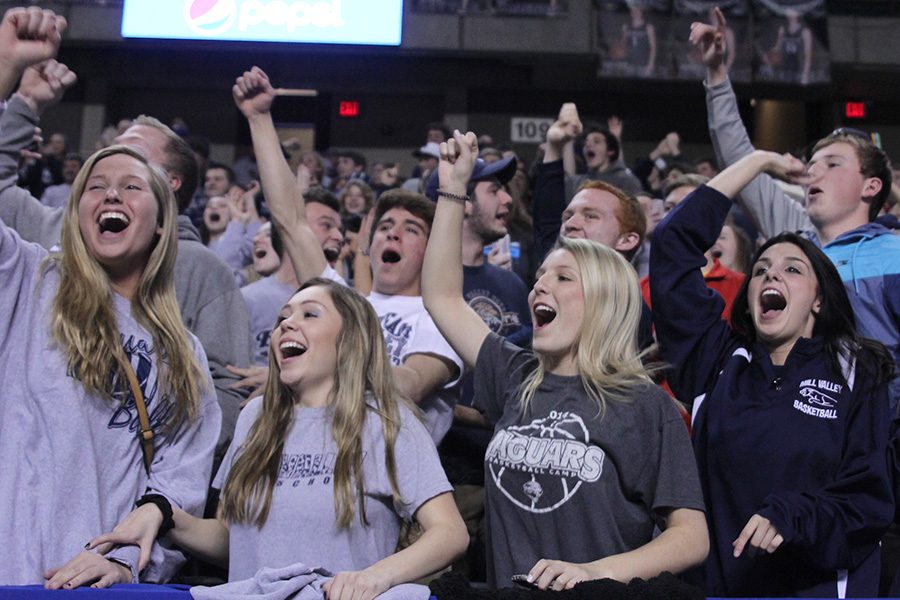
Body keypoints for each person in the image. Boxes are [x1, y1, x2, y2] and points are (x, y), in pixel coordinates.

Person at [422, 130, 708, 590]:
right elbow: (441, 296)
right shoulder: (517, 376)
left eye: (562, 277)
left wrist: (595, 574)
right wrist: (453, 187)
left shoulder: (645, 405)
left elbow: (691, 537)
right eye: (539, 277)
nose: (539, 286)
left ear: (603, 298)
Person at [90, 278, 468, 599]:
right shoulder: (255, 419)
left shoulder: (386, 420)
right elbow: (230, 539)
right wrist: (164, 514)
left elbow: (449, 533)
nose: (287, 324)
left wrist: (376, 578)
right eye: (283, 317)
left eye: (309, 314)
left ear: (350, 339)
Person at [650, 150, 895, 597]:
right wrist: (756, 162)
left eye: (792, 270)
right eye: (760, 270)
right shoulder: (715, 359)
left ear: (819, 300)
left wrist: (793, 515)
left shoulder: (858, 372)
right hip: (721, 589)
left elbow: (869, 501)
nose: (770, 277)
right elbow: (672, 245)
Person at [0, 61, 251, 462]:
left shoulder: (203, 269)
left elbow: (226, 393)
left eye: (132, 161)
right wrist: (23, 101)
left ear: (168, 184)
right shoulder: (46, 240)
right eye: (103, 166)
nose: (111, 165)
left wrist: (156, 475)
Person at [1, 144, 221, 587]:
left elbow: (176, 490)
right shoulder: (28, 278)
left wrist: (125, 564)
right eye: (95, 187)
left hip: (93, 586)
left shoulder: (183, 352)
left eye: (131, 186)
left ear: (162, 222)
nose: (111, 195)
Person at [691, 8, 900, 412]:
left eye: (833, 163)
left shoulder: (894, 254)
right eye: (813, 162)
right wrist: (716, 75)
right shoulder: (793, 241)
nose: (815, 170)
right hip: (798, 429)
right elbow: (739, 156)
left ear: (871, 186)